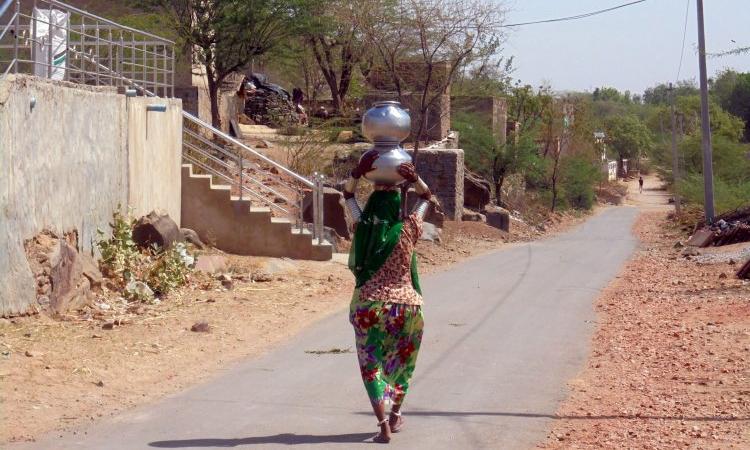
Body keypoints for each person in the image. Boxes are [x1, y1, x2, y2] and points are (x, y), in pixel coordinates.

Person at [343, 151, 432, 444]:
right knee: (401, 362)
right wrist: (414, 178)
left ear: (372, 207)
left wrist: (358, 174)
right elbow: (426, 199)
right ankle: (396, 414)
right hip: (407, 307)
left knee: (372, 365)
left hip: (370, 305)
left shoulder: (363, 226)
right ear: (396, 208)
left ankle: (382, 424)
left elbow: (348, 198)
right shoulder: (409, 228)